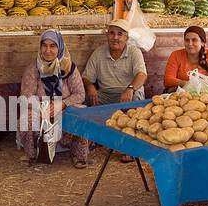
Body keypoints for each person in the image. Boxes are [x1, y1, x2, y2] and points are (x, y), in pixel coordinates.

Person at [17, 29, 89, 169]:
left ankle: (77, 155)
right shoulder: (33, 69)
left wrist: (61, 104)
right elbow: (26, 96)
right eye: (44, 45)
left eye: (53, 46)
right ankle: (32, 154)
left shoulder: (69, 69)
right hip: (42, 111)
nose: (47, 50)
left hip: (63, 109)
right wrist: (43, 108)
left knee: (81, 115)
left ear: (60, 47)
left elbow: (80, 94)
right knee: (28, 117)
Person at [83, 17, 148, 106]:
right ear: (107, 35)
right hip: (106, 95)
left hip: (129, 92)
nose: (115, 37)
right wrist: (90, 86)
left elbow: (142, 75)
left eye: (120, 34)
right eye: (111, 33)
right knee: (88, 97)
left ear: (127, 38)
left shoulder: (134, 52)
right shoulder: (98, 52)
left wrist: (130, 88)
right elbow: (87, 77)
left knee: (136, 97)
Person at [163, 25, 208, 91]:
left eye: (194, 40)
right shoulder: (176, 55)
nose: (190, 43)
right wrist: (189, 84)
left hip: (206, 94)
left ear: (202, 43)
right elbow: (168, 80)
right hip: (181, 94)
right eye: (187, 40)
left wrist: (201, 87)